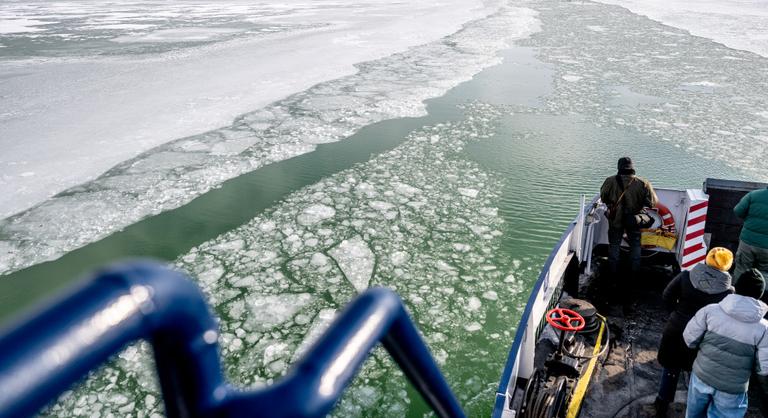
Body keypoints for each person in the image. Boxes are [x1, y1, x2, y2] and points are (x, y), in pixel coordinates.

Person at [654, 247, 734, 417]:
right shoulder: (728, 292)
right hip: (703, 337)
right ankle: (693, 409)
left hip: (676, 329)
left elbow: (667, 296)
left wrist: (675, 314)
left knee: (671, 368)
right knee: (697, 375)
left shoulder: (685, 276)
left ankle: (662, 403)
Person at [682, 268, 768, 418]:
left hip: (702, 377)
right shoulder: (764, 328)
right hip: (732, 389)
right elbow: (764, 368)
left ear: (737, 287)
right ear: (760, 295)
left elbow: (689, 338)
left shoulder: (710, 310)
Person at [600, 157, 658, 279]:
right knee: (635, 245)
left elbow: (604, 198)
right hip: (634, 220)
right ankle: (634, 273)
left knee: (614, 245)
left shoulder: (610, 181)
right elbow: (652, 203)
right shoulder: (643, 183)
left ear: (619, 167)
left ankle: (612, 273)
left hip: (615, 219)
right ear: (632, 167)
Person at [733, 186, 768, 307]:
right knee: (764, 273)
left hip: (748, 242)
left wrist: (750, 219)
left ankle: (736, 299)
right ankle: (760, 302)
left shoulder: (753, 195)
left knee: (741, 268)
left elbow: (738, 211)